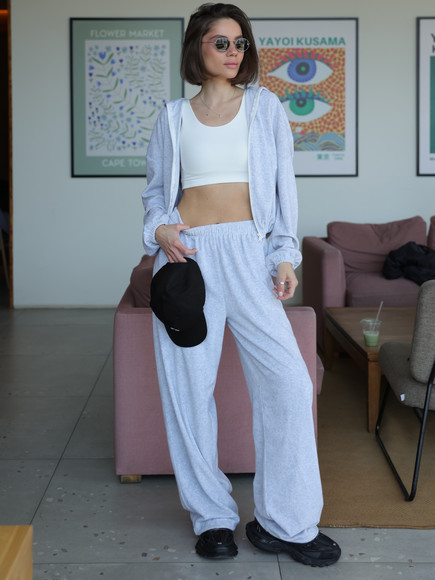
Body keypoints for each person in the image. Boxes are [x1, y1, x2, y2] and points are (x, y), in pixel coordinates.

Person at [142, 2, 341, 567]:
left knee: (289, 385)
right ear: (197, 47)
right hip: (186, 260)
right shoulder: (172, 117)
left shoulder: (264, 106)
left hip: (250, 256)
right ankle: (212, 517)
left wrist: (284, 254)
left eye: (240, 43)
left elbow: (282, 188)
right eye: (221, 42)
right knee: (189, 393)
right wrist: (159, 230)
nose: (233, 52)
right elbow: (155, 193)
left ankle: (286, 521)